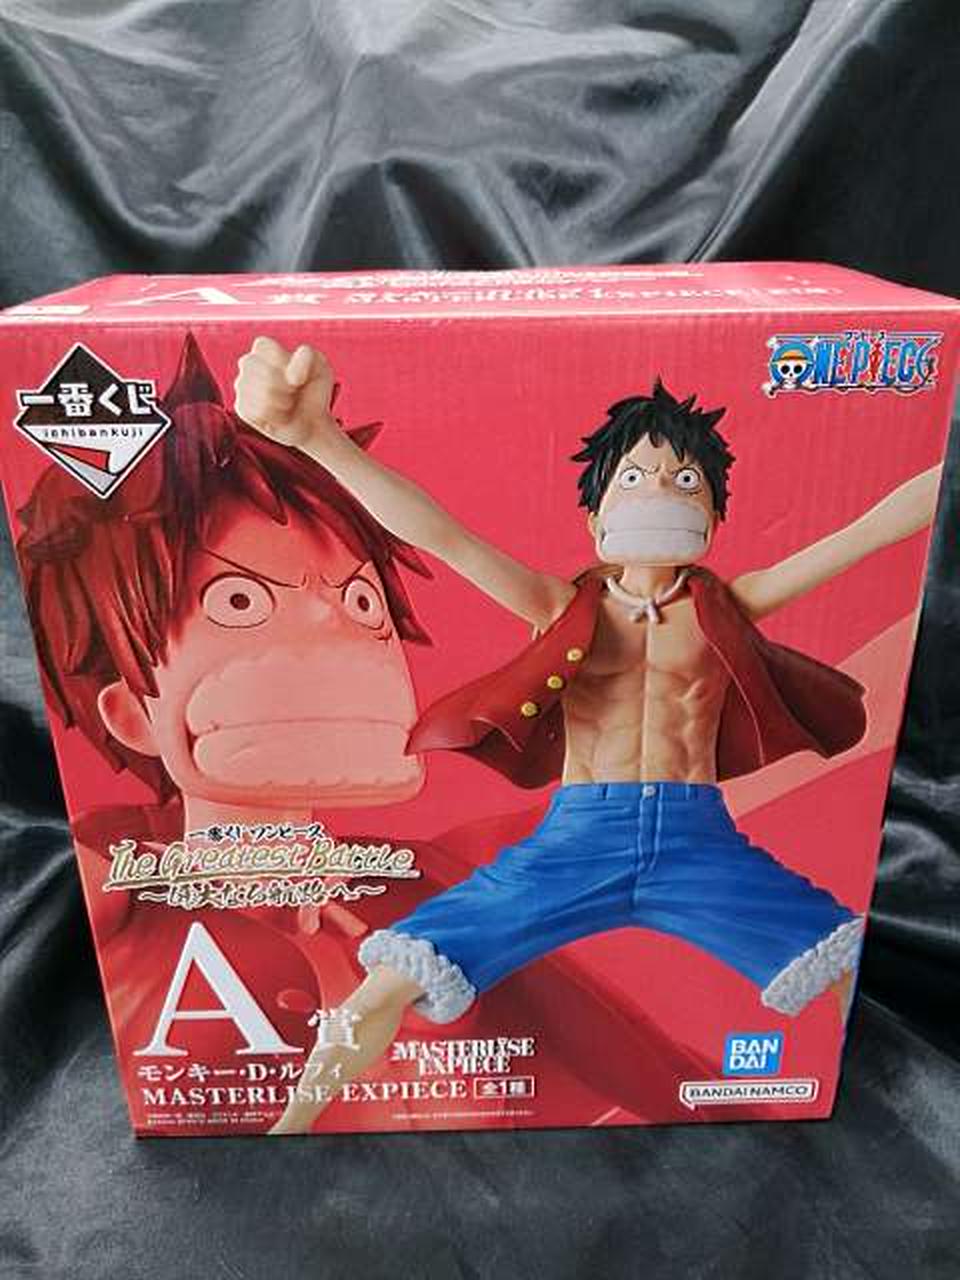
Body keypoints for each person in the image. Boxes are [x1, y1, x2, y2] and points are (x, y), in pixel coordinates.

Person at [232, 336, 942, 1135]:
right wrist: (320, 440)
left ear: (715, 514)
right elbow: (443, 536)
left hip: (700, 841)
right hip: (577, 838)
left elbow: (868, 532)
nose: (660, 490)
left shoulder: (729, 606)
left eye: (684, 479)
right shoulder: (560, 605)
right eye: (635, 476)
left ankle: (899, 1119)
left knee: (845, 963)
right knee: (390, 979)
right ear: (596, 514)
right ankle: (287, 1132)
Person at [18, 334, 715, 1134]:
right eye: (240, 603)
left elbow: (663, 800)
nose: (332, 628)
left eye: (358, 602)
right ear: (130, 714)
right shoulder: (117, 878)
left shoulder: (425, 878)